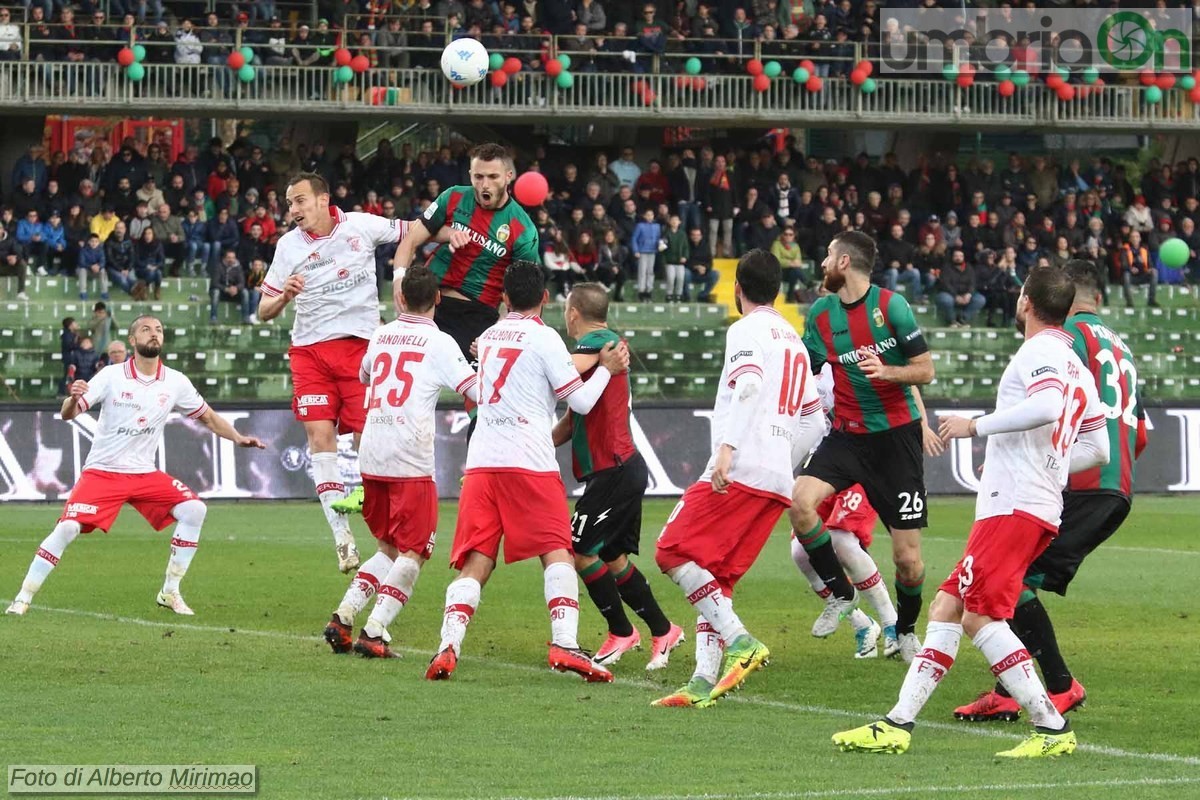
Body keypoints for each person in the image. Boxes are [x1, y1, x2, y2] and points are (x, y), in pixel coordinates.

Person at [833, 265, 1109, 759]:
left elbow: (1046, 408)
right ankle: (897, 723)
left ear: (1025, 301)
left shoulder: (1040, 351)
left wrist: (975, 426)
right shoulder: (1077, 367)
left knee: (981, 618)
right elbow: (1098, 449)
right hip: (1028, 502)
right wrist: (1048, 465)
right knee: (947, 608)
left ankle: (1051, 727)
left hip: (1015, 506)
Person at [954, 259, 1147, 722]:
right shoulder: (1122, 349)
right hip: (1113, 483)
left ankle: (1056, 686)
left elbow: (1049, 404)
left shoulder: (1064, 338)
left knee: (1010, 581)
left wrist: (1029, 455)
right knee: (1014, 582)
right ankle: (1012, 688)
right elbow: (1140, 434)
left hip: (1075, 482)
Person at [425, 260, 629, 683]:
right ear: (543, 299)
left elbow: (484, 387)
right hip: (529, 461)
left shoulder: (490, 337)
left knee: (478, 559)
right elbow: (582, 404)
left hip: (482, 462)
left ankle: (448, 646)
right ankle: (565, 645)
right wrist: (606, 371)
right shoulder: (545, 337)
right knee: (557, 550)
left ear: (503, 297)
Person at [652, 250, 826, 708]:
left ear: (737, 289)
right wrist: (781, 460)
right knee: (717, 577)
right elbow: (814, 420)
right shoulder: (792, 337)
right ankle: (702, 682)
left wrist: (729, 448)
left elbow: (747, 383)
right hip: (775, 478)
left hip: (740, 467)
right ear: (778, 290)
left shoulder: (745, 330)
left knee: (670, 549)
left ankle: (741, 641)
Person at [5, 315, 265, 617]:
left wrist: (237, 437)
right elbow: (69, 413)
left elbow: (207, 416)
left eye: (158, 330)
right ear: (132, 340)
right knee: (67, 528)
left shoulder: (176, 381)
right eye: (145, 329)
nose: (153, 334)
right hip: (103, 471)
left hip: (143, 473)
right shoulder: (111, 376)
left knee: (195, 509)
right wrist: (71, 399)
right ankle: (22, 598)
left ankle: (170, 592)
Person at [257, 172, 428, 574]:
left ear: (322, 199)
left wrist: (455, 231)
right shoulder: (287, 247)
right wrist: (284, 296)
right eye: (289, 204)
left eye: (299, 201)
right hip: (309, 352)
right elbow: (262, 311)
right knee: (320, 436)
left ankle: (382, 519)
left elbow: (416, 230)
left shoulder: (361, 225)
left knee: (370, 434)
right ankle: (342, 539)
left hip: (359, 348)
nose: (293, 210)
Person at [790, 230, 938, 665]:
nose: (821, 263)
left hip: (896, 440)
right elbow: (804, 368)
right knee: (800, 504)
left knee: (908, 560)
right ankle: (840, 593)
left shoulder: (892, 306)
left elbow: (925, 370)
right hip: (847, 436)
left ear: (844, 263)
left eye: (828, 255)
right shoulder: (821, 314)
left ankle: (907, 629)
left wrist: (887, 372)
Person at [322, 267, 481, 659]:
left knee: (387, 547)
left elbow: (364, 375)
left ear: (402, 299)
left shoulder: (381, 335)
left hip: (373, 452)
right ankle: (374, 631)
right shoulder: (440, 342)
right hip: (410, 457)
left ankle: (343, 617)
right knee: (415, 551)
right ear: (438, 299)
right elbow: (476, 390)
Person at [550, 283, 684, 669]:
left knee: (580, 550)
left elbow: (558, 375)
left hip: (614, 469)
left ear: (573, 312)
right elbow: (571, 421)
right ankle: (663, 630)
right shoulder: (601, 358)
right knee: (611, 555)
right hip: (618, 469)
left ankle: (622, 632)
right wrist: (535, 446)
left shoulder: (599, 344)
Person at [391, 143, 541, 363]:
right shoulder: (453, 197)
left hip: (476, 315)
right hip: (428, 302)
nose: (484, 185)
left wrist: (498, 333)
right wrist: (398, 281)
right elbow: (410, 239)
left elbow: (525, 298)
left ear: (509, 176)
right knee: (400, 372)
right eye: (478, 177)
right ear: (470, 174)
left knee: (478, 391)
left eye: (493, 177)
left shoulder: (523, 230)